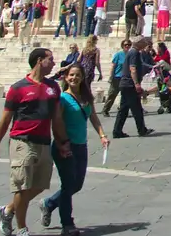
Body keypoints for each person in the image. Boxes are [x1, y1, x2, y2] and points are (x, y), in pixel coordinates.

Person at [0, 47, 69, 236]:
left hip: (43, 141)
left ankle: (7, 211)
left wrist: (62, 141)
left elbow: (56, 118)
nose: (54, 63)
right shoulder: (18, 88)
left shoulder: (53, 87)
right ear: (39, 61)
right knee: (22, 185)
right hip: (22, 141)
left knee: (40, 184)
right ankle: (22, 228)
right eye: (51, 59)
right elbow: (5, 120)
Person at [39, 62, 107, 236]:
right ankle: (67, 224)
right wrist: (62, 143)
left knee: (77, 185)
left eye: (77, 75)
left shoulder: (86, 97)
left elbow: (93, 117)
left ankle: (49, 203)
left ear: (82, 77)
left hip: (81, 145)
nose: (74, 78)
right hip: (64, 145)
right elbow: (56, 122)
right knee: (68, 184)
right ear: (66, 77)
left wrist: (102, 135)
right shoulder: (62, 98)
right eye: (71, 75)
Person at [109, 39, 153, 139]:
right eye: (144, 43)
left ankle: (117, 131)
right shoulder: (135, 53)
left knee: (123, 109)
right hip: (130, 84)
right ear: (140, 43)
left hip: (125, 84)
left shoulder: (131, 52)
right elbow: (132, 69)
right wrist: (136, 84)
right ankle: (142, 130)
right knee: (137, 109)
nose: (146, 45)